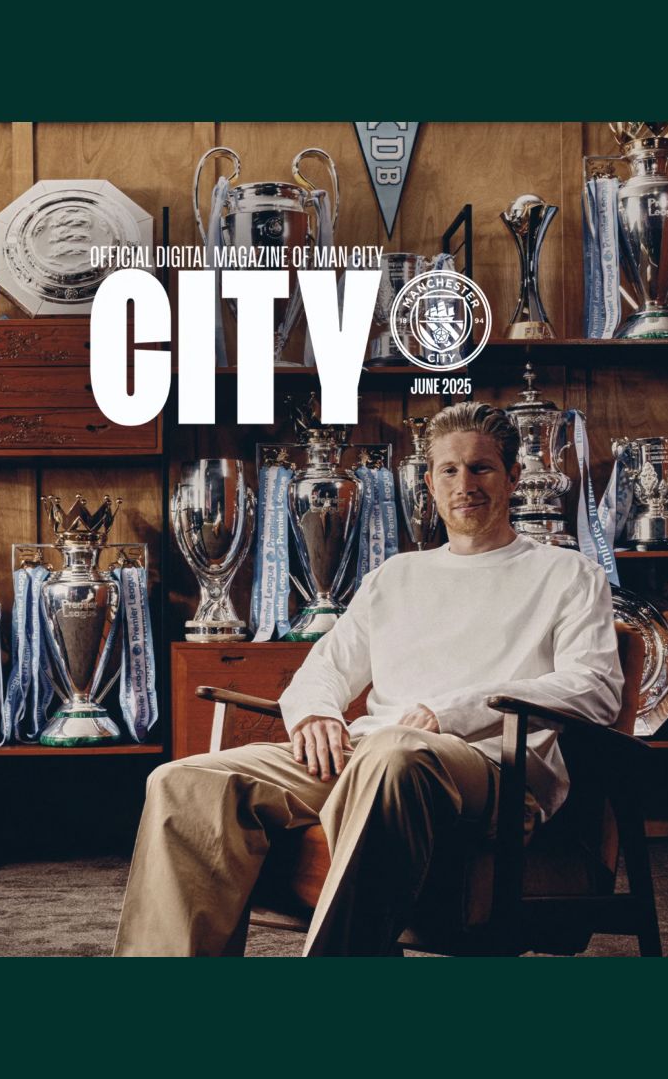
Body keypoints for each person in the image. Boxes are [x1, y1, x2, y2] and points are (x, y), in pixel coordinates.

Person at [114, 401, 623, 956]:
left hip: (491, 769)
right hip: (368, 756)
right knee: (181, 781)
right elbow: (325, 668)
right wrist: (315, 713)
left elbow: (595, 687)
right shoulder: (396, 576)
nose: (464, 485)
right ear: (429, 483)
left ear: (513, 477)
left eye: (481, 468)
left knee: (396, 749)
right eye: (449, 470)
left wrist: (451, 713)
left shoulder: (569, 574)